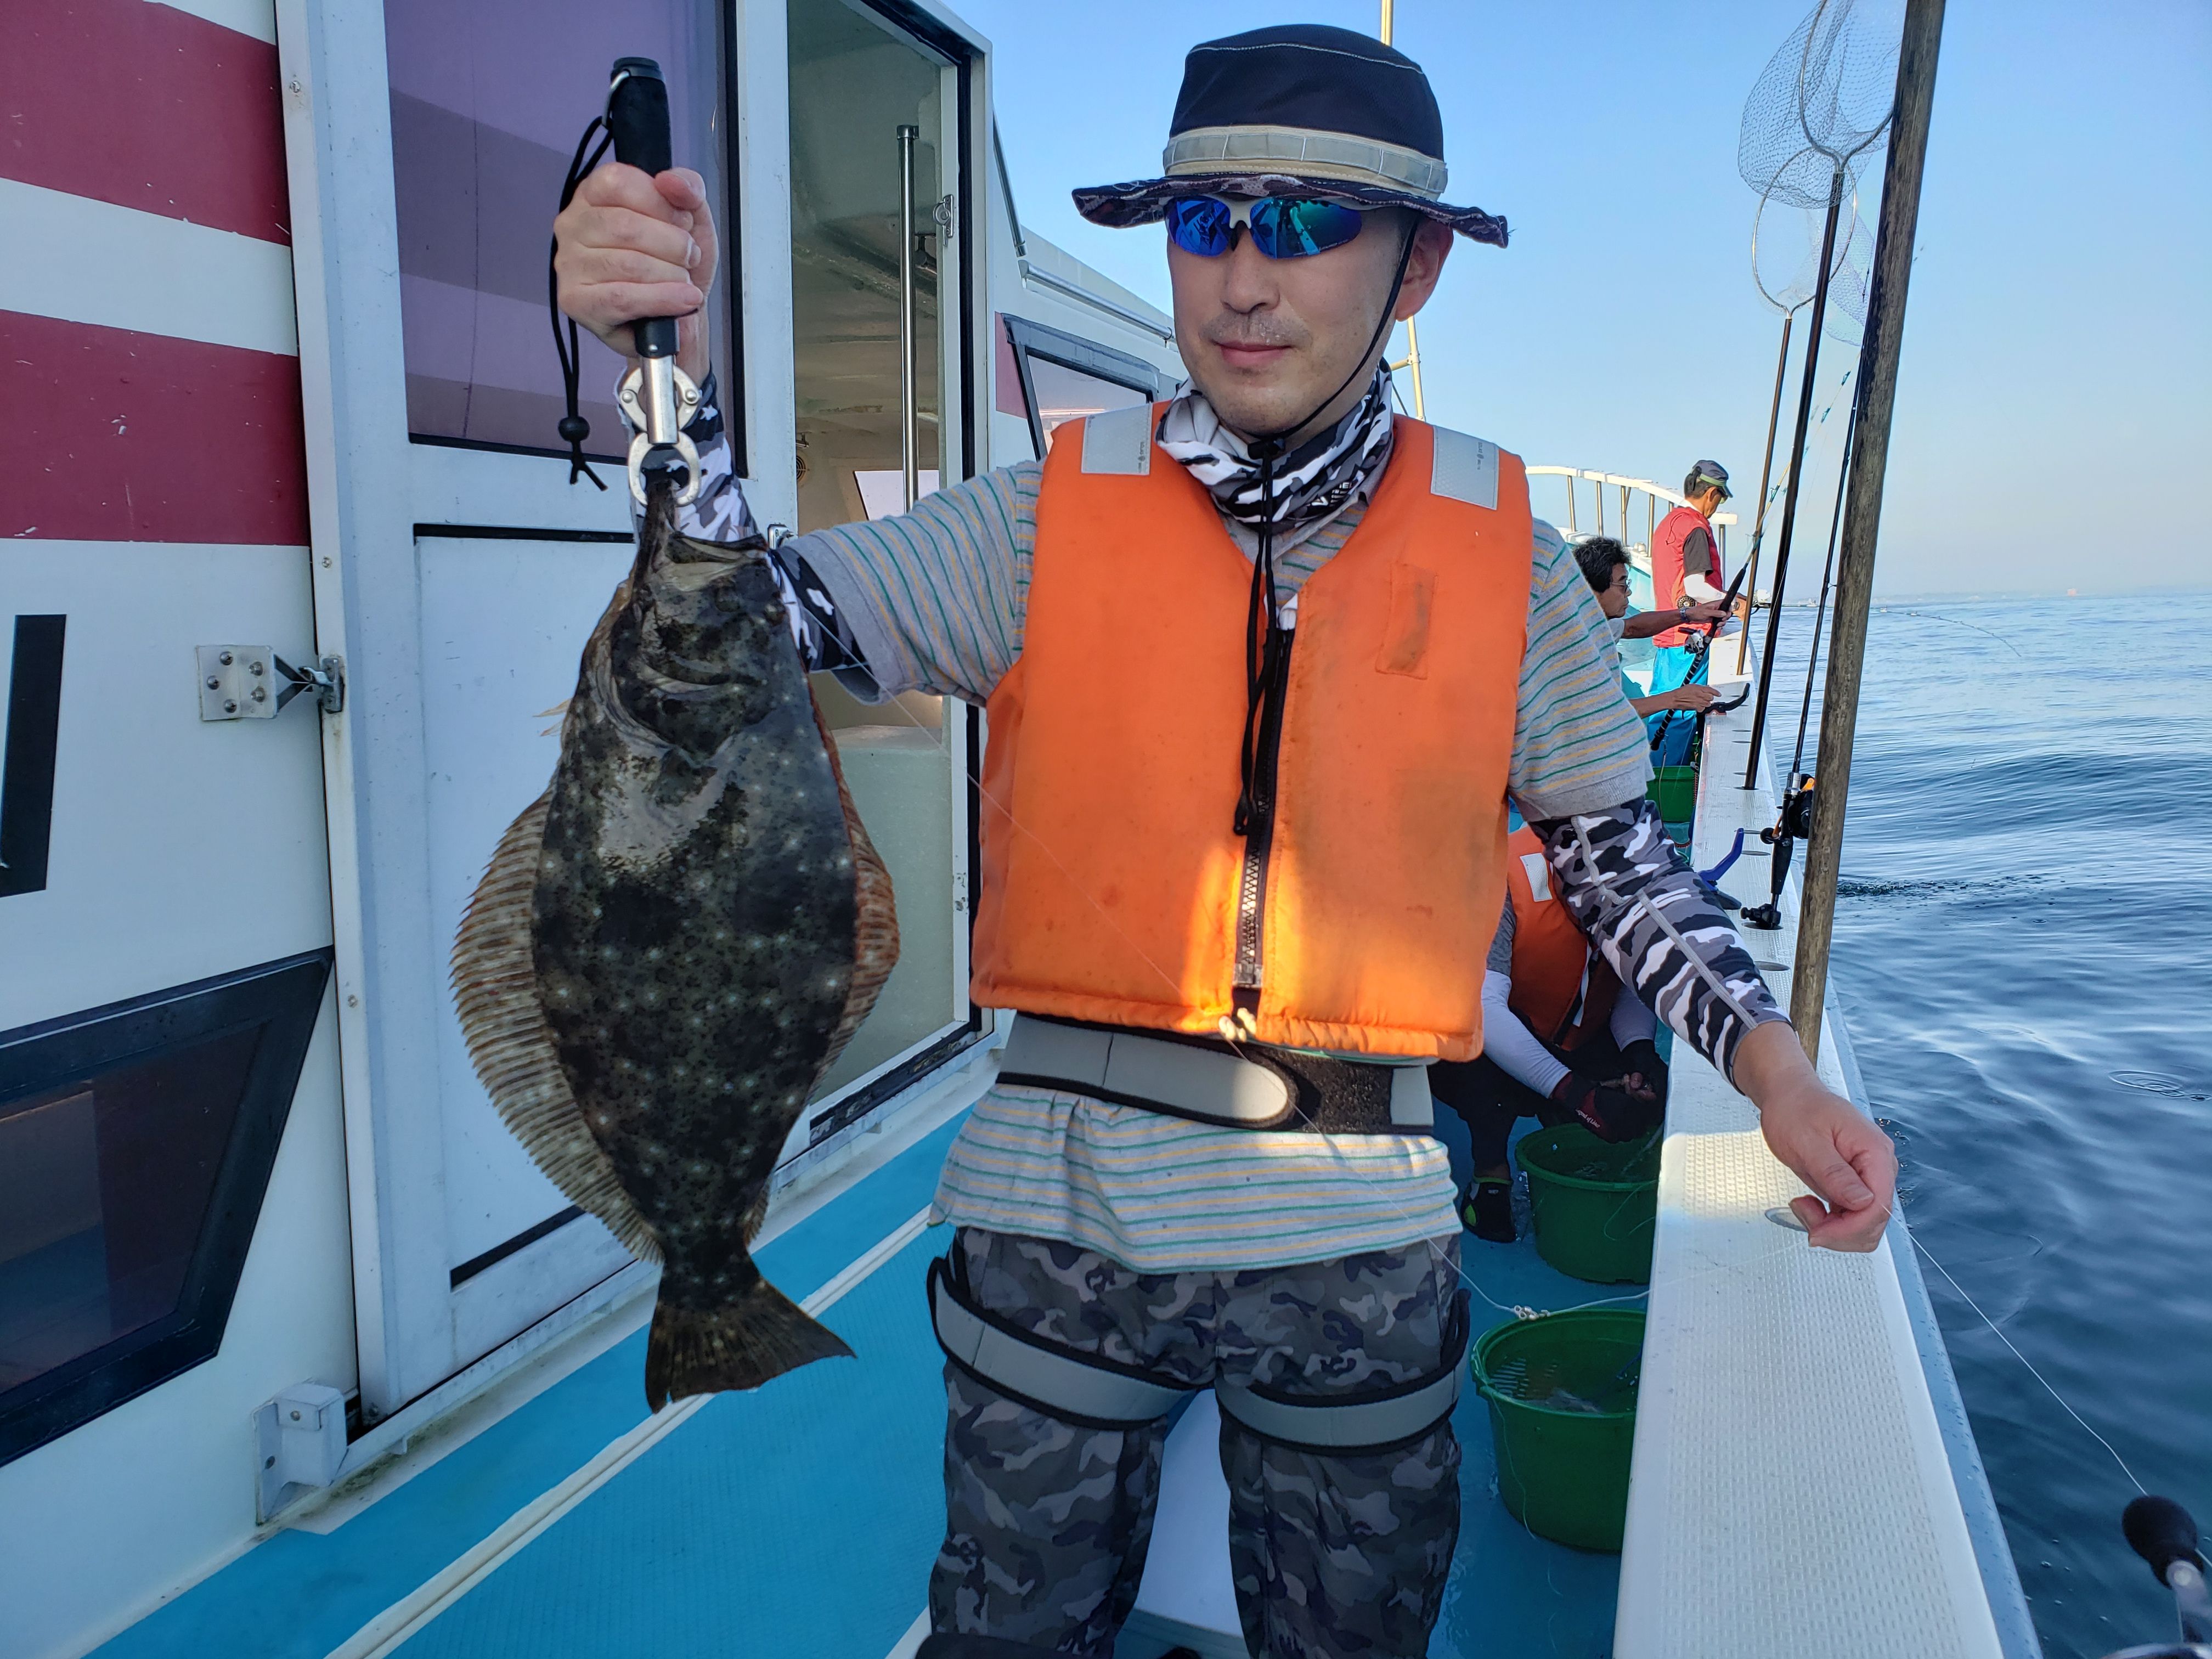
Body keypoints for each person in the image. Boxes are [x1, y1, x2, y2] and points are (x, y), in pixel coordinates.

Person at [554, 25, 1895, 1658]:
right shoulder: (1041, 514)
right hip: (1056, 1216)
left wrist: (1773, 1070)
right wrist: (666, 383)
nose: (1247, 281)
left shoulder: (1514, 562)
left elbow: (1621, 864)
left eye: (1311, 225)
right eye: (1209, 224)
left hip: (1359, 1237)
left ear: (1414, 272)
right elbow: (747, 627)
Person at [1432, 825, 1668, 1243]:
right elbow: (1484, 1009)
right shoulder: (1497, 879)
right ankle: (1490, 1172)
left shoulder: (1636, 876)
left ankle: (1569, 1124)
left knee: (1642, 1101)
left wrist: (1639, 1051)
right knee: (1480, 1060)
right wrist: (1575, 1094)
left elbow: (1629, 981)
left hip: (1575, 1033)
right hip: (1483, 1034)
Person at [1575, 535, 1723, 720]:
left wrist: (1690, 614)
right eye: (1622, 584)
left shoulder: (1596, 624)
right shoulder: (1575, 644)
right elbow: (1601, 711)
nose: (1628, 592)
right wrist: (1674, 699)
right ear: (1592, 589)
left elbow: (1632, 628)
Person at [1647, 461, 1734, 696]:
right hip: (1691, 637)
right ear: (1712, 493)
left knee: (1664, 701)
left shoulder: (1670, 522)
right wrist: (1735, 604)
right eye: (1721, 499)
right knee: (1682, 707)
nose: (1717, 505)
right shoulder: (1696, 527)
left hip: (1669, 633)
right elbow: (1696, 587)